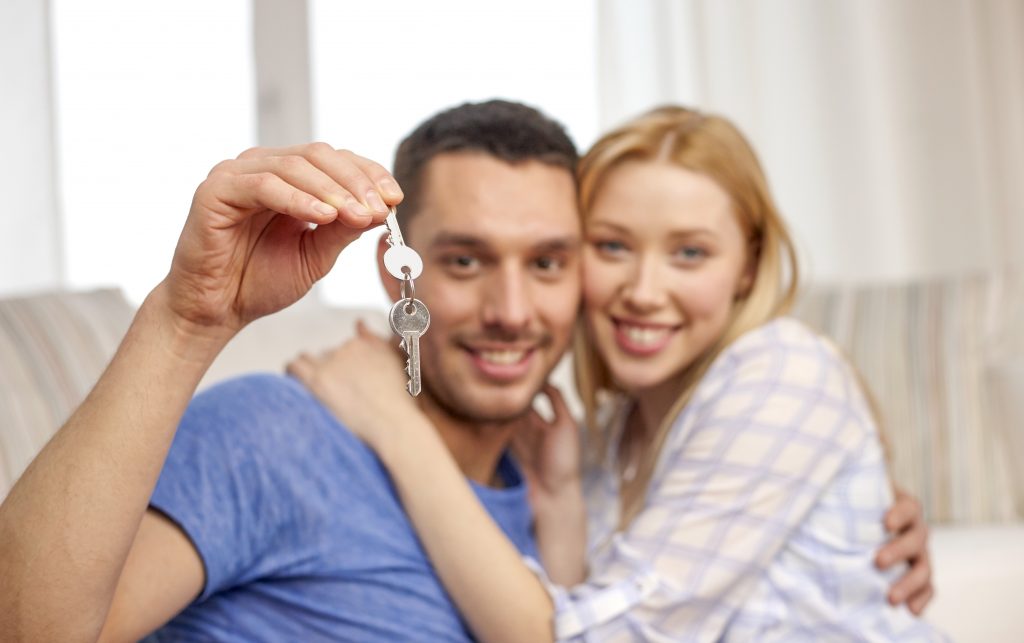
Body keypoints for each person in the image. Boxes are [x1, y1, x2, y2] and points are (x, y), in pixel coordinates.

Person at [0, 101, 930, 642]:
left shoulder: (571, 497)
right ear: (397, 268)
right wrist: (185, 320)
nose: (513, 310)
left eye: (550, 260)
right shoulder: (279, 432)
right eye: (464, 260)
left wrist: (850, 530)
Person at [288, 105, 944, 641]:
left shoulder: (779, 370)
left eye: (689, 252)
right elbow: (580, 603)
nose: (643, 290)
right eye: (612, 246)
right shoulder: (612, 430)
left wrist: (395, 426)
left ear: (748, 265)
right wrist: (566, 498)